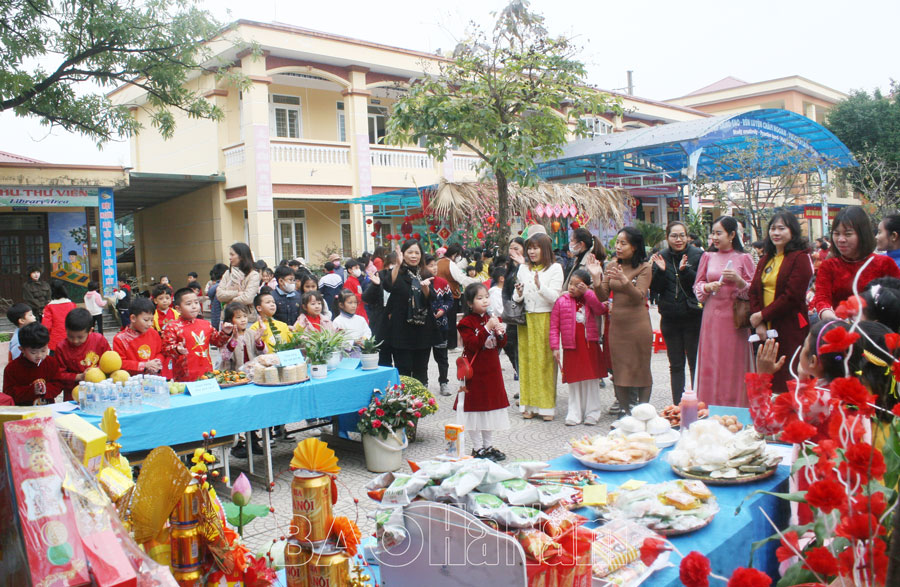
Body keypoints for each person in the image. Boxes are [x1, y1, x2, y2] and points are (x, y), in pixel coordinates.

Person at [589, 226, 653, 415]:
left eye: (623, 243)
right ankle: (626, 413)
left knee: (641, 370)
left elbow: (639, 297)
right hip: (617, 326)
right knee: (620, 371)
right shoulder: (612, 265)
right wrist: (596, 278)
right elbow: (601, 296)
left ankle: (643, 414)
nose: (618, 246)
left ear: (634, 247)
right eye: (617, 242)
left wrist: (625, 282)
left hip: (638, 325)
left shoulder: (645, 267)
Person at [693, 216, 756, 407]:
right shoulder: (707, 257)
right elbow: (698, 285)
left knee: (733, 363)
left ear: (732, 235)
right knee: (711, 361)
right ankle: (708, 405)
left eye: (719, 233)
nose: (714, 237)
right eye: (713, 233)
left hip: (734, 319)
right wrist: (707, 287)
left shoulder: (743, 258)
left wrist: (739, 281)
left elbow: (754, 291)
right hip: (711, 317)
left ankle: (736, 407)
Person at [747, 212, 814, 394]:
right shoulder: (766, 258)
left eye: (781, 228)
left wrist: (762, 315)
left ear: (792, 231)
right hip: (764, 330)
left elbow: (791, 296)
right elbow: (753, 290)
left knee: (788, 373)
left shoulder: (800, 258)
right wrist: (759, 322)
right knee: (767, 376)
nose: (776, 233)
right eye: (773, 228)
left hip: (790, 326)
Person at [812, 206, 900, 322]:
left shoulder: (884, 264)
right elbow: (822, 298)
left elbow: (895, 299)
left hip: (876, 333)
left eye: (848, 234)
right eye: (837, 233)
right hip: (840, 329)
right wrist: (830, 316)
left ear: (862, 235)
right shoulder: (828, 266)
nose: (841, 239)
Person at [649, 221, 704, 404]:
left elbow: (701, 284)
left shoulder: (698, 255)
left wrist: (685, 271)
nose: (678, 239)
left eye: (682, 235)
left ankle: (698, 403)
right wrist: (662, 272)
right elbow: (655, 289)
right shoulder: (661, 257)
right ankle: (678, 405)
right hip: (670, 317)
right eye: (674, 236)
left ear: (687, 236)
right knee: (676, 364)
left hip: (692, 316)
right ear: (667, 238)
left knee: (695, 363)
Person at [454, 283, 510, 461]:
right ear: (470, 303)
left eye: (486, 296)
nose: (485, 300)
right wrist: (487, 329)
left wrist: (500, 332)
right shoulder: (465, 323)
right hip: (475, 373)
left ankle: (488, 446)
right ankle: (477, 448)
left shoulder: (491, 317)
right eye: (479, 298)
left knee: (489, 408)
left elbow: (501, 344)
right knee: (474, 409)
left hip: (492, 370)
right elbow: (472, 344)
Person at [513, 229, 564, 421]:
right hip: (526, 320)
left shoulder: (555, 268)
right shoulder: (523, 269)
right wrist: (518, 292)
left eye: (536, 248)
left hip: (545, 318)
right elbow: (516, 297)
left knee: (545, 363)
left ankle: (546, 407)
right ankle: (528, 405)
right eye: (530, 249)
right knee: (526, 363)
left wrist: (540, 286)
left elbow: (556, 298)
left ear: (545, 249)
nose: (532, 252)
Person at [550, 268, 609, 426]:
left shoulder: (590, 299)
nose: (572, 287)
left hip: (590, 345)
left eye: (578, 285)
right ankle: (574, 413)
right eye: (571, 283)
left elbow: (601, 309)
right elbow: (554, 326)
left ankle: (593, 412)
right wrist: (555, 347)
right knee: (574, 381)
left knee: (591, 380)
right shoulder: (561, 301)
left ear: (586, 286)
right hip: (571, 347)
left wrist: (588, 293)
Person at [382, 239, 437, 384]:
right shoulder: (396, 272)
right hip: (401, 330)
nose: (414, 256)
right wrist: (398, 265)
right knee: (403, 369)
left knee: (421, 369)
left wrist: (425, 288)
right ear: (403, 254)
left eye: (417, 253)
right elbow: (388, 285)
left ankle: (421, 403)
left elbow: (431, 298)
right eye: (410, 252)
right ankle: (404, 402)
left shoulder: (425, 273)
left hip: (423, 329)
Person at [161, 287, 230, 381]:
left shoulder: (205, 324)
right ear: (178, 309)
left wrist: (225, 332)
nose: (194, 306)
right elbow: (165, 349)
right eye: (189, 304)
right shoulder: (172, 326)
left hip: (207, 373)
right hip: (184, 376)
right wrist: (177, 349)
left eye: (196, 303)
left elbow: (218, 342)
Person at [55, 308, 111, 401]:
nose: (75, 341)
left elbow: (109, 363)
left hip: (100, 391)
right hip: (74, 396)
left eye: (80, 337)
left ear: (90, 331)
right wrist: (79, 377)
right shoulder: (61, 347)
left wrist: (97, 371)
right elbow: (59, 374)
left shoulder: (99, 340)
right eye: (70, 336)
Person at [2, 322, 62, 405]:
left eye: (43, 350)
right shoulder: (12, 368)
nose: (39, 355)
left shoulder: (51, 363)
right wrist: (32, 390)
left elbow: (58, 384)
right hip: (23, 411)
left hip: (47, 407)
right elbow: (8, 393)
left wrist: (46, 389)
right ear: (21, 349)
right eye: (33, 352)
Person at [436, 243, 480, 350]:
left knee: (441, 320)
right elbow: (461, 278)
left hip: (438, 295)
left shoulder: (439, 262)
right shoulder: (450, 264)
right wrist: (477, 282)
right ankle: (451, 345)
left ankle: (441, 342)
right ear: (455, 254)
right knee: (451, 321)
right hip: (451, 295)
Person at [113, 297, 166, 376]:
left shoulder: (154, 333)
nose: (149, 324)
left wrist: (157, 361)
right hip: (132, 381)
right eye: (146, 320)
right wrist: (144, 365)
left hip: (154, 378)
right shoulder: (120, 339)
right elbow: (120, 363)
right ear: (133, 318)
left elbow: (160, 352)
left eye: (151, 320)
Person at [424, 255, 453, 395]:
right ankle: (423, 384)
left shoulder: (442, 282)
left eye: (435, 264)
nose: (434, 268)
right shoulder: (418, 283)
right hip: (423, 327)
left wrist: (443, 310)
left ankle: (444, 382)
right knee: (422, 358)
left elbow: (450, 301)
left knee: (442, 356)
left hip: (441, 326)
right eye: (430, 265)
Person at [502, 237, 527, 382]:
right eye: (511, 248)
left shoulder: (526, 266)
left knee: (523, 347)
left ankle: (524, 381)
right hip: (512, 313)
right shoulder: (510, 267)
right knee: (509, 343)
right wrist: (506, 304)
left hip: (525, 313)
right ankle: (519, 372)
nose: (513, 251)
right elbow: (505, 290)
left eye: (516, 248)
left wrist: (521, 266)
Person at [218, 302, 265, 371]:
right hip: (233, 375)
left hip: (252, 372)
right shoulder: (226, 336)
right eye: (238, 317)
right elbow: (225, 357)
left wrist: (258, 341)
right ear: (230, 320)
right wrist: (234, 339)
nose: (243, 320)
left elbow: (262, 354)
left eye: (245, 316)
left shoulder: (252, 333)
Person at [217, 242, 262, 313]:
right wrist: (237, 293)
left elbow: (248, 298)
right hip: (227, 316)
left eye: (232, 255)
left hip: (246, 317)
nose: (230, 258)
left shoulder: (253, 275)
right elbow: (219, 295)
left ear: (241, 256)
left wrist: (230, 302)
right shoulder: (228, 273)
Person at [333, 289, 372, 357]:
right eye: (350, 303)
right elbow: (337, 341)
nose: (354, 305)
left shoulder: (360, 319)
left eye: (355, 302)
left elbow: (367, 332)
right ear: (341, 305)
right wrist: (353, 342)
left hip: (360, 353)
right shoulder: (337, 321)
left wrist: (363, 339)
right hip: (344, 356)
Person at [41, 279, 76, 351]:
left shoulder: (49, 307)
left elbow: (46, 326)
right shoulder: (72, 305)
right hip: (71, 340)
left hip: (55, 342)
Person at [206, 263, 229, 330]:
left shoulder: (215, 288)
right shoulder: (221, 290)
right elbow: (217, 311)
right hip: (223, 324)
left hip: (218, 323)